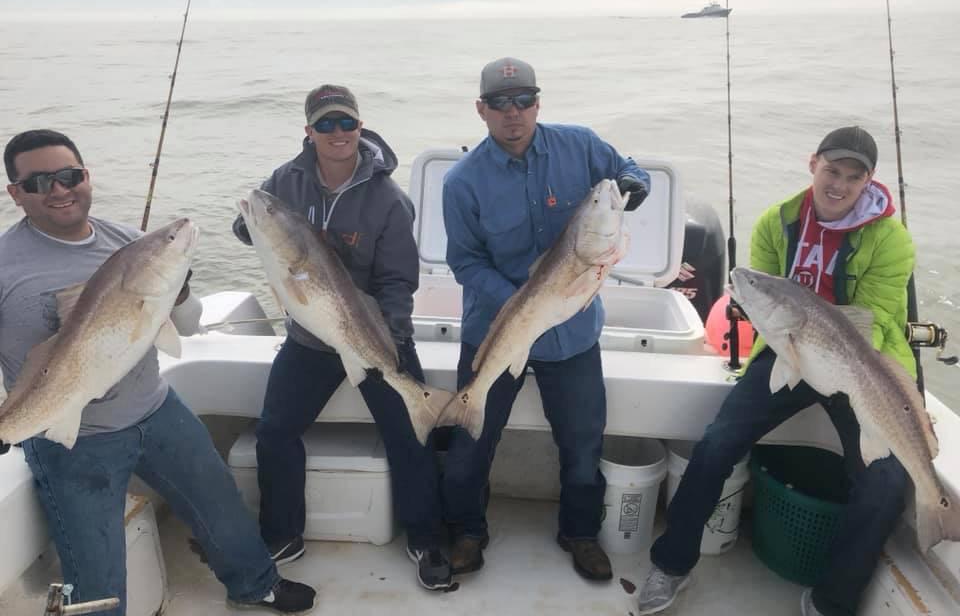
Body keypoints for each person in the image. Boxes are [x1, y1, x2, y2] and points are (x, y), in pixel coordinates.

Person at [0, 129, 316, 615]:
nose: (60, 190)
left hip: (155, 408)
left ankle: (256, 584)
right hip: (71, 435)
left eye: (69, 176)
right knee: (97, 572)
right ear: (15, 193)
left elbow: (185, 329)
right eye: (40, 181)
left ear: (86, 177)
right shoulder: (5, 265)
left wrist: (179, 290)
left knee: (221, 507)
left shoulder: (128, 242)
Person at [635, 126, 915, 616]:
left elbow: (877, 320)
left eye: (854, 177)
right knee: (718, 442)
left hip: (863, 363)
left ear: (868, 181)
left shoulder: (891, 241)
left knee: (886, 482)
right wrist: (793, 346)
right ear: (813, 164)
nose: (839, 184)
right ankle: (672, 564)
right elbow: (756, 294)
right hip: (786, 351)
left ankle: (831, 601)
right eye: (832, 170)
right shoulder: (776, 222)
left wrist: (841, 367)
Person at [232, 85, 451, 591]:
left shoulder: (389, 200)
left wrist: (386, 347)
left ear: (360, 127)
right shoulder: (283, 182)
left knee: (410, 433)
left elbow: (398, 282)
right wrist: (250, 226)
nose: (338, 134)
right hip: (310, 339)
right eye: (326, 125)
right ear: (308, 131)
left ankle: (426, 537)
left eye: (346, 123)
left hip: (374, 334)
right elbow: (250, 225)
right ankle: (283, 534)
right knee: (275, 431)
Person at [440, 57, 651, 581]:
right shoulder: (461, 182)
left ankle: (578, 533)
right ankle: (468, 530)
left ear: (538, 103)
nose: (514, 113)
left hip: (573, 333)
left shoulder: (579, 145)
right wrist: (521, 302)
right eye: (500, 104)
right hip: (496, 328)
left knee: (583, 444)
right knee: (470, 445)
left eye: (524, 100)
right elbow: (464, 262)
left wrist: (630, 185)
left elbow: (629, 170)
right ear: (481, 110)